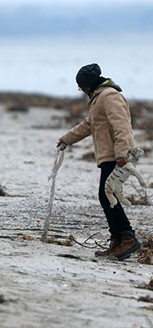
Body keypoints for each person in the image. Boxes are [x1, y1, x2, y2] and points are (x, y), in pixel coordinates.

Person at [57, 63, 141, 261]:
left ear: (87, 85)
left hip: (116, 155)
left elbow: (121, 124)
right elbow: (89, 124)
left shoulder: (109, 96)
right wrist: (66, 139)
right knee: (106, 196)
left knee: (107, 195)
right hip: (108, 155)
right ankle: (118, 241)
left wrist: (121, 153)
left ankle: (127, 238)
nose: (82, 90)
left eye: (81, 87)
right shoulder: (98, 99)